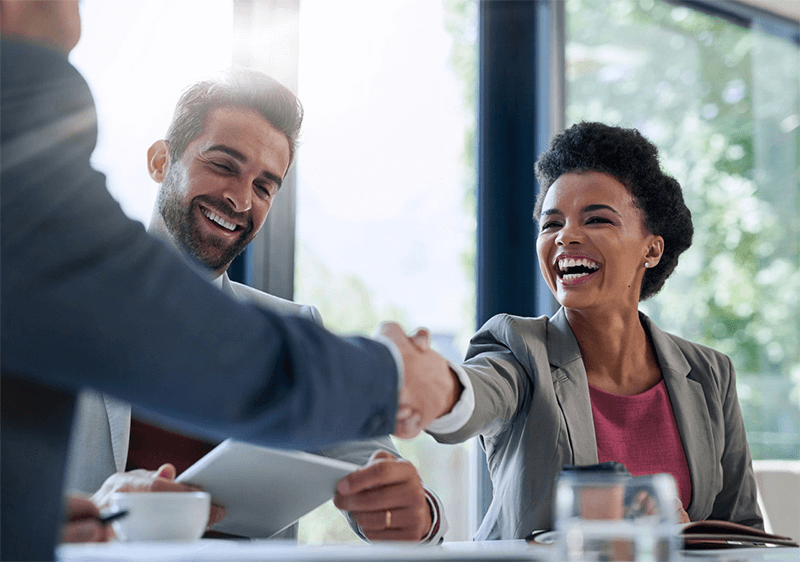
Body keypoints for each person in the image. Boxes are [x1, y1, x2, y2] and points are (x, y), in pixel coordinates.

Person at [0, 1, 459, 559]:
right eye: (222, 164)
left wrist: (416, 512)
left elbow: (384, 483)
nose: (240, 199)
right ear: (158, 161)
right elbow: (175, 327)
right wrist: (395, 375)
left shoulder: (295, 327)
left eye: (265, 185)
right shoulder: (70, 253)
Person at [427, 121, 763, 539]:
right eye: (551, 224)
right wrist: (428, 384)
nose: (566, 236)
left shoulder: (711, 373)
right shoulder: (518, 349)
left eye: (597, 219)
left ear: (651, 249)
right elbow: (471, 397)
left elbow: (743, 532)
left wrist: (684, 536)